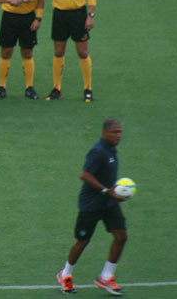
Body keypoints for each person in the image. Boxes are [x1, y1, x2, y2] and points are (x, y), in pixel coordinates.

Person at [56, 118, 128, 295]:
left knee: (121, 236)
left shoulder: (111, 149)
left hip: (109, 203)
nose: (119, 136)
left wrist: (116, 192)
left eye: (120, 132)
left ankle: (106, 276)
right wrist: (106, 190)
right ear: (105, 133)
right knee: (83, 241)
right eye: (115, 132)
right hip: (91, 204)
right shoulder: (98, 151)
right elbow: (85, 175)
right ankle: (65, 274)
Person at [28, 0, 96, 102]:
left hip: (78, 15)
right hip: (59, 15)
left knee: (82, 51)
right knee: (59, 51)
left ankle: (88, 88)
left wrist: (90, 15)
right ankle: (57, 88)